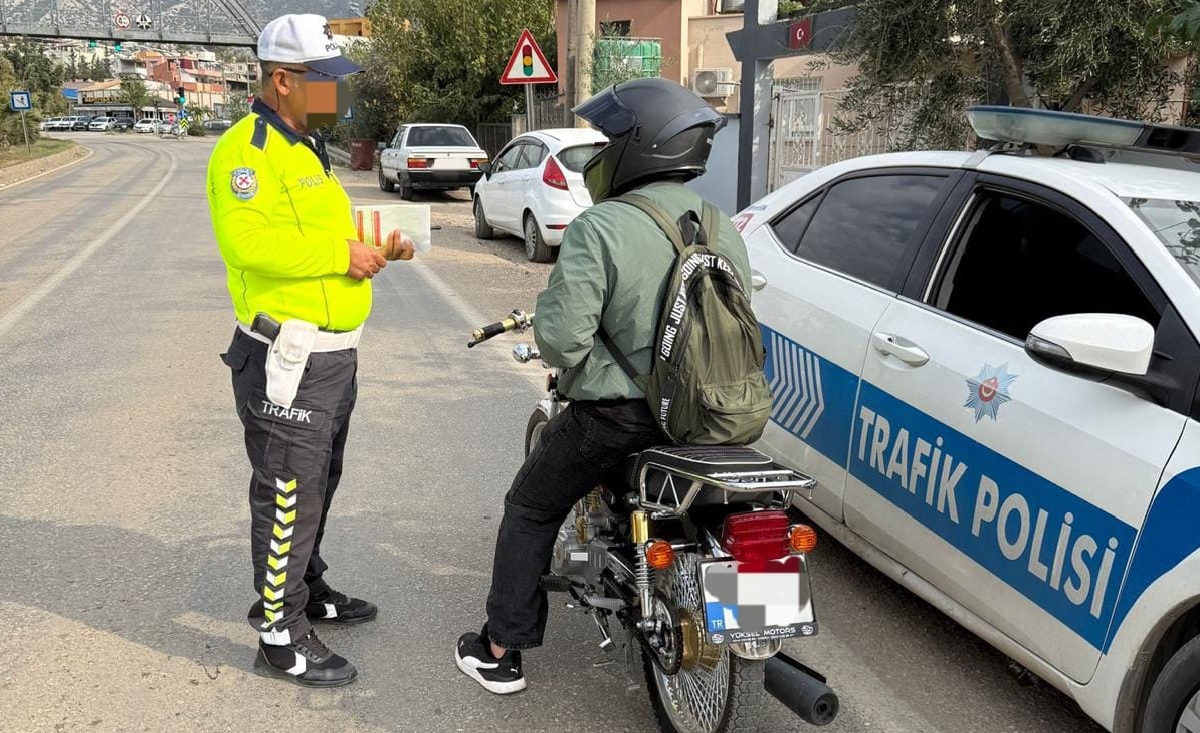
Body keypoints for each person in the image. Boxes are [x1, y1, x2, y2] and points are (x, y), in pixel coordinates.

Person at [454, 77, 753, 694]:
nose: (598, 150)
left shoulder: (603, 226)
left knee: (531, 507)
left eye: (608, 138)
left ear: (639, 146)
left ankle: (501, 649)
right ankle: (745, 622)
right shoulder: (722, 227)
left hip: (618, 417)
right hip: (713, 415)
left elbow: (562, 342)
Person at [206, 13, 414, 688]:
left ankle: (307, 588)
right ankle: (279, 633)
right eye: (327, 81)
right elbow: (248, 244)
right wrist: (339, 253)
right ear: (284, 80)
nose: (337, 94)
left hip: (333, 356)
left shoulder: (307, 149)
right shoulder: (247, 152)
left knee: (317, 486)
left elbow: (333, 230)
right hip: (286, 358)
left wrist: (386, 240)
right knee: (288, 493)